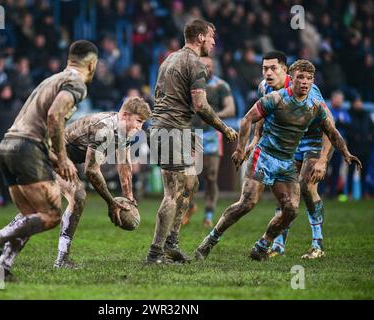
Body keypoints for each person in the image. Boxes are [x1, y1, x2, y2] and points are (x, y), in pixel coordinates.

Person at [195, 59, 361, 262]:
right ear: (291, 79)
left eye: (309, 78)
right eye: (300, 77)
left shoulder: (315, 106)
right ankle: (210, 240)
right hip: (264, 157)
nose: (305, 82)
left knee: (291, 209)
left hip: (286, 162)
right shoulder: (275, 98)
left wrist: (345, 153)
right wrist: (241, 149)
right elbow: (248, 118)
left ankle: (263, 245)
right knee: (247, 203)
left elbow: (332, 131)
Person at [0, 40, 101, 279]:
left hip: (8, 146)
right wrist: (63, 159)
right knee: (52, 214)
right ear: (92, 64)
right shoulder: (76, 83)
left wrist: (53, 158)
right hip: (27, 148)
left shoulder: (51, 80)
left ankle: (2, 268)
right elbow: (55, 116)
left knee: (30, 216)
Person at [0, 97, 151, 274]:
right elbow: (91, 171)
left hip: (65, 158)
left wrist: (129, 196)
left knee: (38, 209)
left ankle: (0, 239)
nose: (140, 127)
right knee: (75, 197)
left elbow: (124, 163)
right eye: (138, 121)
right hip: (51, 156)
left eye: (143, 123)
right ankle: (58, 258)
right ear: (124, 116)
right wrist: (111, 202)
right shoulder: (104, 129)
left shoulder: (125, 132)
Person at [145, 19, 238, 265]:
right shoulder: (195, 63)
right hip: (171, 129)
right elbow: (200, 105)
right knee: (172, 193)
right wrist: (223, 127)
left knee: (192, 182)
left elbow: (159, 95)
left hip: (169, 128)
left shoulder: (169, 59)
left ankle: (172, 243)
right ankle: (156, 253)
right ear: (199, 37)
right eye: (211, 36)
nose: (214, 42)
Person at [246, 51, 334, 259]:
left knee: (306, 186)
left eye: (272, 69)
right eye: (265, 69)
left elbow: (330, 125)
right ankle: (278, 246)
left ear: (284, 72)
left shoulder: (309, 91)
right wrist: (255, 139)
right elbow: (261, 115)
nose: (268, 73)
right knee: (285, 195)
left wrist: (322, 159)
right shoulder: (264, 88)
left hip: (313, 141)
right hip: (290, 142)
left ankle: (317, 244)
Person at [182, 56, 236, 227]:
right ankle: (190, 206)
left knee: (211, 176)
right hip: (191, 134)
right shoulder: (188, 85)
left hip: (212, 134)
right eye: (204, 65)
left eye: (210, 66)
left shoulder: (221, 86)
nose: (207, 68)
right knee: (188, 176)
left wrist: (213, 116)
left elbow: (231, 108)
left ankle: (209, 214)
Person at [346, 95, 374, 199]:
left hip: (365, 149)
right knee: (350, 172)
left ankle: (364, 193)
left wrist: (369, 137)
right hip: (352, 150)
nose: (359, 104)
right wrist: (354, 137)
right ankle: (349, 194)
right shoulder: (349, 114)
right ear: (353, 104)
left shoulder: (366, 115)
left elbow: (372, 129)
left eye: (360, 102)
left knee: (364, 173)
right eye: (357, 102)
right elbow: (347, 130)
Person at [327, 90, 350, 198]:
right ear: (332, 99)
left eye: (341, 99)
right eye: (337, 98)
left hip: (339, 147)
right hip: (327, 146)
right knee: (324, 171)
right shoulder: (327, 111)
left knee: (336, 171)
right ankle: (321, 193)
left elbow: (349, 125)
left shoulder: (344, 112)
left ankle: (333, 194)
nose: (339, 101)